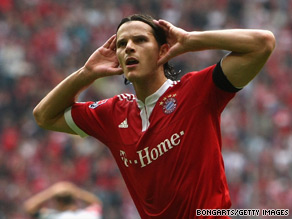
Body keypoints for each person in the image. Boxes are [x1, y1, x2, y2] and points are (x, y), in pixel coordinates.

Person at [33, 14, 275, 218]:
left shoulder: (196, 91)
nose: (128, 47)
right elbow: (44, 116)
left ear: (163, 51)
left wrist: (190, 40)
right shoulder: (112, 114)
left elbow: (263, 42)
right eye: (121, 43)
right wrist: (86, 73)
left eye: (140, 40)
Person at [23, 181, 102, 219]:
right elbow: (96, 203)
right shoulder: (88, 215)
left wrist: (51, 192)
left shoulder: (53, 216)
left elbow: (29, 207)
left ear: (59, 202)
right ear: (74, 200)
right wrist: (75, 191)